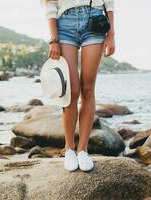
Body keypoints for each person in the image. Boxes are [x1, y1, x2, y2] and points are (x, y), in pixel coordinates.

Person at [44, 0, 115, 171]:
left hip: (95, 18)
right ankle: (69, 148)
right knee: (71, 91)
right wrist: (53, 39)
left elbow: (109, 3)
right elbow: (50, 5)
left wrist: (111, 34)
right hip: (64, 23)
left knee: (88, 89)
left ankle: (83, 149)